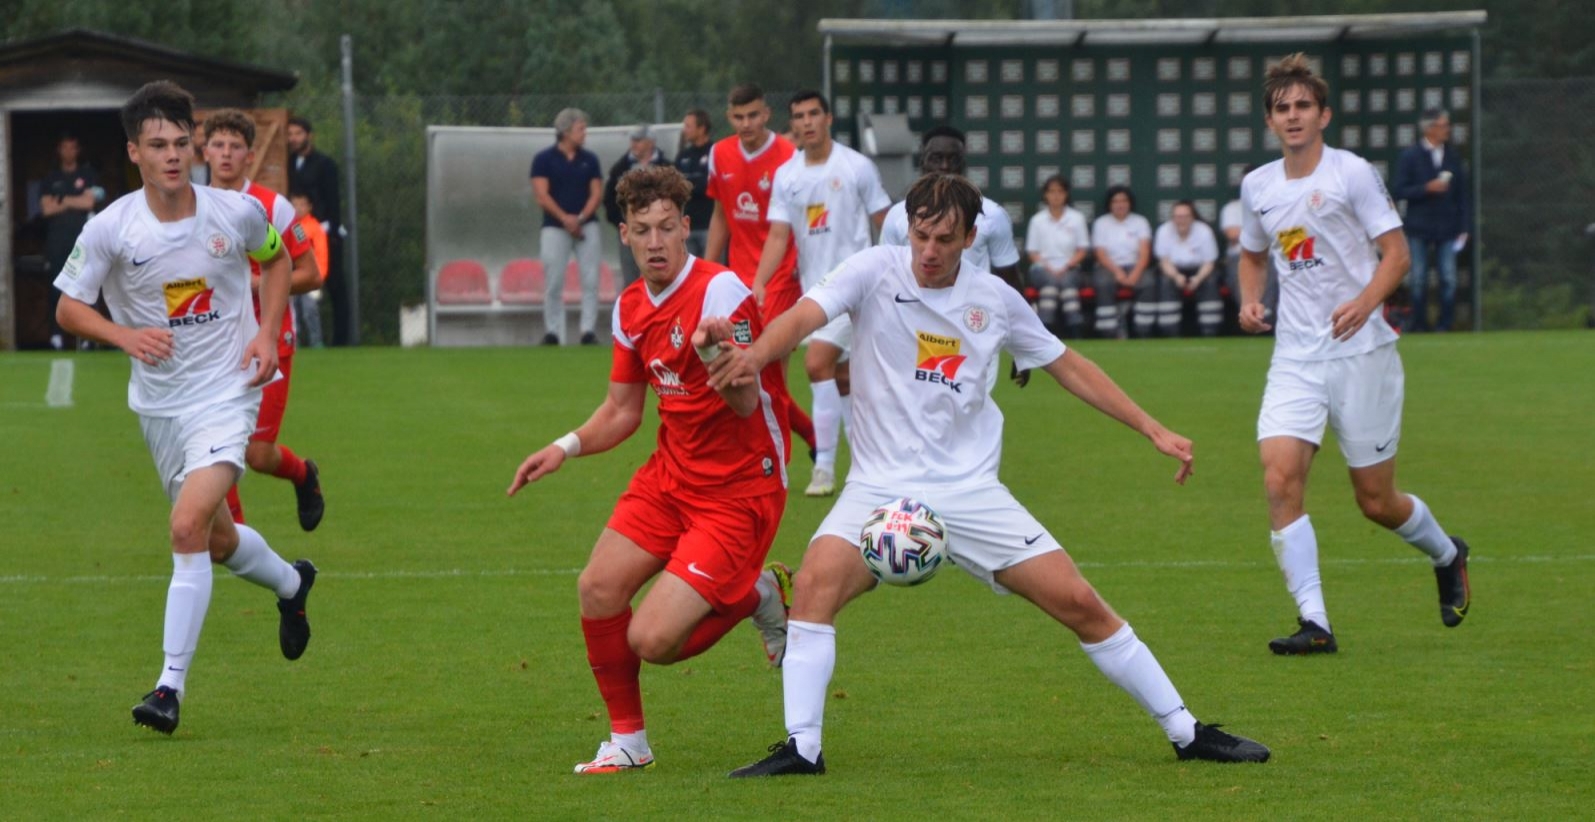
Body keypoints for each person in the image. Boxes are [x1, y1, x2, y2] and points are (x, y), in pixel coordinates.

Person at [709, 173, 1270, 776]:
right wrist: (755, 355)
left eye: (944, 238)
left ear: (970, 237)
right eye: (920, 235)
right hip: (877, 488)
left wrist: (1151, 428)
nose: (928, 250)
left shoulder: (995, 301)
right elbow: (802, 317)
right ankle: (803, 748)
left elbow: (1069, 365)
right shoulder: (874, 268)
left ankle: (1187, 731)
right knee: (816, 586)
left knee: (1080, 603)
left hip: (970, 491)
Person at [507, 165, 795, 774]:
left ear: (687, 227)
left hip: (741, 485)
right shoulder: (632, 305)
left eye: (668, 227)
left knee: (653, 641)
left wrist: (715, 352)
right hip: (671, 476)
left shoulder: (720, 294)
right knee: (598, 588)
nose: (657, 241)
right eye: (644, 229)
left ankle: (759, 594)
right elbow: (621, 410)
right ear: (625, 235)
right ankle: (629, 744)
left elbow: (748, 405)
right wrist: (563, 446)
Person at [53, 81, 317, 735]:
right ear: (134, 153)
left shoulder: (233, 213)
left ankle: (168, 688)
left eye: (181, 143)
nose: (173, 156)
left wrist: (264, 332)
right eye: (158, 145)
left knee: (186, 526)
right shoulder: (111, 227)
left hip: (230, 393)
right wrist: (124, 336)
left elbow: (280, 262)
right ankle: (291, 583)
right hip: (161, 406)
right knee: (219, 538)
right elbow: (68, 306)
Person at [1237, 54, 1470, 656]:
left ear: (1324, 115)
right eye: (1282, 108)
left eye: (1303, 106)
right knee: (1278, 478)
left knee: (1375, 501)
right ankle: (1315, 623)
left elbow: (1397, 255)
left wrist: (1366, 302)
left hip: (1363, 352)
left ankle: (1447, 553)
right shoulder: (1257, 186)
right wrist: (1249, 300)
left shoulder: (1353, 175)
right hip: (1295, 357)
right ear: (1270, 121)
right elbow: (1254, 253)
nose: (1293, 117)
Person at [755, 90, 891, 498]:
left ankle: (825, 467)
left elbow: (885, 220)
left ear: (829, 118)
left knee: (816, 365)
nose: (807, 121)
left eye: (814, 113)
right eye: (799, 115)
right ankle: (869, 465)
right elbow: (778, 235)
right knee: (844, 379)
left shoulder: (856, 167)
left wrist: (896, 271)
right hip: (817, 291)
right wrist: (758, 283)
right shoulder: (787, 175)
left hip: (860, 287)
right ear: (792, 123)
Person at [202, 110, 327, 532]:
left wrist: (258, 283)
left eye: (235, 146)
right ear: (204, 151)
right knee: (219, 447)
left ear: (249, 154)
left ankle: (303, 474)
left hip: (271, 340)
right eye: (217, 145)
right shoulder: (191, 208)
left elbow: (311, 274)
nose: (225, 154)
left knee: (257, 453)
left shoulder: (273, 206)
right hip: (215, 345)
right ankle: (237, 536)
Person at [704, 83, 818, 458]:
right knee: (743, 372)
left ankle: (784, 454)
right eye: (738, 117)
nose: (746, 123)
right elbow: (721, 214)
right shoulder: (719, 153)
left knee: (770, 376)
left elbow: (788, 228)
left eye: (753, 115)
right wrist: (707, 269)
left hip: (779, 279)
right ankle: (812, 438)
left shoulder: (788, 157)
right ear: (728, 117)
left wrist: (768, 280)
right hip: (738, 283)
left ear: (766, 114)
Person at [878, 125, 1029, 384]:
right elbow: (884, 278)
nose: (945, 166)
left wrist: (1022, 348)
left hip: (973, 327)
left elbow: (1010, 282)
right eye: (937, 158)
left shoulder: (991, 215)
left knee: (967, 411)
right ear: (923, 161)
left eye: (953, 159)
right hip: (912, 327)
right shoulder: (897, 216)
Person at [530, 108, 605, 346]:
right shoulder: (543, 159)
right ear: (565, 131)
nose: (585, 133)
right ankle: (553, 332)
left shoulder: (590, 159)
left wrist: (580, 218)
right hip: (554, 227)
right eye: (580, 129)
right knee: (553, 280)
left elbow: (596, 193)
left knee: (591, 279)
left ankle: (587, 331)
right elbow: (542, 195)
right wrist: (565, 219)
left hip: (587, 227)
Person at [1392, 107, 1471, 333]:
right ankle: (1419, 324)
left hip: (1447, 227)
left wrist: (1464, 227)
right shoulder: (1410, 156)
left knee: (1448, 278)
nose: (1447, 130)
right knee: (1418, 278)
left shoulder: (1453, 156)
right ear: (1429, 128)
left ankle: (1445, 324)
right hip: (1419, 226)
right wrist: (1427, 188)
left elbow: (1463, 196)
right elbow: (1398, 190)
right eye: (1443, 125)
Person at [39, 132, 107, 350]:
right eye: (65, 147)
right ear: (59, 150)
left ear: (78, 150)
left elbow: (88, 202)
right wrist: (74, 200)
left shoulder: (88, 175)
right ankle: (56, 336)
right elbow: (46, 208)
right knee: (57, 285)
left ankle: (88, 336)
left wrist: (62, 200)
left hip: (83, 239)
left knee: (87, 285)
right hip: (57, 240)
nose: (69, 151)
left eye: (72, 147)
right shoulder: (51, 178)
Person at [285, 116, 346, 345]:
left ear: (309, 136)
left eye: (298, 134)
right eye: (290, 134)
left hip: (323, 230)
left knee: (335, 285)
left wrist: (329, 229)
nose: (293, 138)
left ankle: (342, 340)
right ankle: (298, 339)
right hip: (298, 232)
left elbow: (333, 198)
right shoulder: (288, 162)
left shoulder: (325, 163)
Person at [1025, 174, 1090, 336]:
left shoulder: (1076, 218)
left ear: (1066, 194)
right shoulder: (1037, 220)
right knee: (1050, 282)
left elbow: (1082, 250)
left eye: (1060, 191)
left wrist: (1066, 266)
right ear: (1045, 195)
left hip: (1071, 267)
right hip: (1042, 269)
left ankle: (1075, 328)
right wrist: (1050, 268)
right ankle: (1045, 328)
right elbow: (1032, 252)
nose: (1056, 195)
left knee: (1067, 282)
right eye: (1051, 191)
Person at [603, 125, 667, 288]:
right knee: (630, 275)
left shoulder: (665, 166)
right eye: (633, 140)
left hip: (659, 229)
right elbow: (610, 197)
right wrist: (620, 221)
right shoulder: (621, 168)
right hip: (631, 229)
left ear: (650, 142)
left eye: (638, 140)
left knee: (660, 271)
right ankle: (633, 311)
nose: (634, 144)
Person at [1154, 200, 1222, 337]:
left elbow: (1209, 262)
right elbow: (1164, 262)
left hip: (1200, 270)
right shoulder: (1164, 231)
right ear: (1172, 218)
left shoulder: (1204, 230)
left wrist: (1197, 279)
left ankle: (1210, 331)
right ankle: (1170, 332)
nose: (1181, 220)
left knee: (1210, 281)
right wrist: (1176, 276)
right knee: (1166, 281)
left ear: (1192, 217)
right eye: (1178, 217)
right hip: (1173, 270)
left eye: (1185, 216)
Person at [1091, 186, 1152, 339]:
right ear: (1109, 204)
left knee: (1148, 282)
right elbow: (1100, 253)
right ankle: (1109, 332)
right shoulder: (1101, 223)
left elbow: (1144, 252)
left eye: (1124, 200)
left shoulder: (1140, 222)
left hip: (1135, 265)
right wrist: (1117, 272)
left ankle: (1143, 331)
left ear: (1130, 203)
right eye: (1115, 201)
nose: (1120, 204)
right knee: (1103, 282)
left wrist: (1135, 275)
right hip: (1108, 267)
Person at [1221, 164, 1277, 331]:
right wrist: (1264, 231)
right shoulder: (1231, 208)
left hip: (1276, 255)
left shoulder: (1277, 202)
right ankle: (1251, 316)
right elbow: (1232, 234)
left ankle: (1267, 318)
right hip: (1241, 256)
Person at [289, 190, 329, 347]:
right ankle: (293, 342)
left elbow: (321, 253)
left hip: (310, 277)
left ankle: (316, 342)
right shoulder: (287, 226)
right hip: (290, 277)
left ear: (309, 207)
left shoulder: (314, 228)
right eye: (295, 204)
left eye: (302, 204)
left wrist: (319, 276)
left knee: (309, 310)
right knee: (293, 312)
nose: (298, 208)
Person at [674, 108, 715, 258]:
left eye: (688, 126)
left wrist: (689, 184)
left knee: (711, 270)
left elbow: (710, 185)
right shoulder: (683, 155)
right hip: (687, 226)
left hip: (709, 225)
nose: (685, 130)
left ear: (702, 128)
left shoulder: (714, 152)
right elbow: (675, 184)